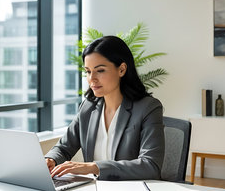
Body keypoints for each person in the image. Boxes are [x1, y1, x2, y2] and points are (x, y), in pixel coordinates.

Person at [45, 35, 164, 181]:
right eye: (88, 71)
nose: (92, 79)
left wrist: (94, 167)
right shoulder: (88, 107)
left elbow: (150, 165)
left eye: (100, 70)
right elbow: (64, 147)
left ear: (121, 69)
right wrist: (50, 159)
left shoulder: (148, 108)